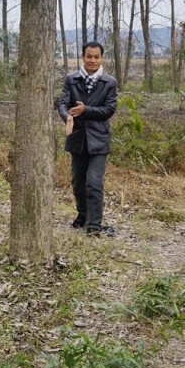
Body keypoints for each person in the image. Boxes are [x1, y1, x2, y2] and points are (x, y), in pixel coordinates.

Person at [57, 41, 118, 235]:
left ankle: (94, 225)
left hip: (98, 140)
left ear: (101, 58)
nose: (92, 60)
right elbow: (62, 102)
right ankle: (82, 215)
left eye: (96, 57)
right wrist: (67, 116)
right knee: (77, 182)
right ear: (83, 57)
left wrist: (86, 110)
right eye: (89, 56)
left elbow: (109, 109)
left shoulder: (109, 82)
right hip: (77, 138)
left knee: (94, 182)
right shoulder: (71, 79)